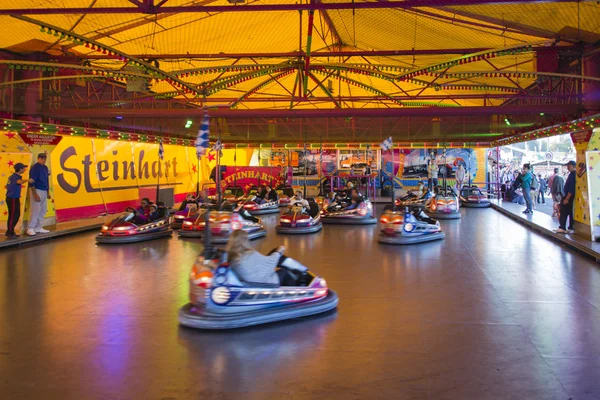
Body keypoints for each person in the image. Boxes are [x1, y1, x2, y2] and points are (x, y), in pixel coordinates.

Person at [226, 230, 308, 285]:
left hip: (252, 280)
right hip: (262, 283)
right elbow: (268, 263)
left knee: (275, 254)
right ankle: (302, 276)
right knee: (284, 272)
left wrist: (275, 253)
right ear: (245, 241)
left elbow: (263, 262)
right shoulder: (249, 254)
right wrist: (278, 252)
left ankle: (301, 272)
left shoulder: (232, 256)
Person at [5, 163, 34, 239]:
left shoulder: (12, 177)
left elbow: (8, 186)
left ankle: (10, 231)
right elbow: (18, 182)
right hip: (12, 198)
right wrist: (27, 180)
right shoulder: (15, 177)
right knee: (13, 215)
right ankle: (10, 232)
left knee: (16, 215)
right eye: (23, 168)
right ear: (20, 169)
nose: (24, 169)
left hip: (13, 198)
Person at [27, 153, 51, 236]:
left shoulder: (45, 168)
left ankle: (38, 227)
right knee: (35, 210)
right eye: (41, 158)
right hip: (37, 189)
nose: (43, 160)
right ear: (38, 159)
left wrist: (48, 191)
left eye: (44, 158)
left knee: (43, 210)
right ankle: (30, 228)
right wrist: (35, 193)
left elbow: (46, 180)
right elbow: (32, 181)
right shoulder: (35, 168)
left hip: (44, 190)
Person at [556, 161, 576, 234]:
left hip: (569, 196)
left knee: (564, 211)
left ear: (573, 166)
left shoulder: (573, 174)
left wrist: (567, 198)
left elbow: (572, 187)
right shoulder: (572, 174)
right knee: (570, 212)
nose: (567, 168)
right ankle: (570, 227)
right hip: (569, 196)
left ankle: (563, 227)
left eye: (569, 166)